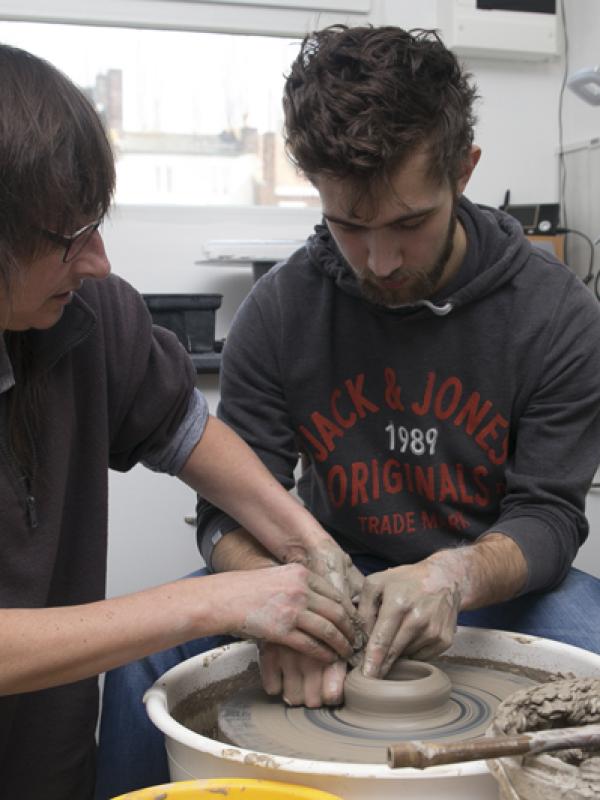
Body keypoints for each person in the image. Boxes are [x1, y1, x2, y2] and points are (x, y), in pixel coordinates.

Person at [99, 23, 600, 797]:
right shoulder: (281, 311)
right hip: (331, 578)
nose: (380, 261)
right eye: (349, 227)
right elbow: (227, 514)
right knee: (142, 663)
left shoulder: (555, 313)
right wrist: (280, 599)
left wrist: (456, 574)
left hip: (494, 587)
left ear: (464, 169)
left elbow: (550, 516)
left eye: (409, 223)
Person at [0, 43, 363, 800]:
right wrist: (215, 600)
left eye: (96, 223)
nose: (98, 260)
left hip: (45, 760)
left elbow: (185, 432)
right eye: (67, 239)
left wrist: (315, 554)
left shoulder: (90, 314)